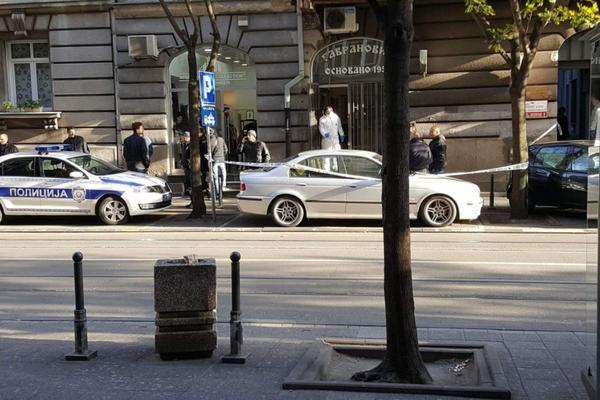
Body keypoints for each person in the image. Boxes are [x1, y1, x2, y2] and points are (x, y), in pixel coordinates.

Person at [210, 129, 228, 200]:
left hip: (215, 160)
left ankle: (217, 192)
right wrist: (223, 155)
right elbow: (226, 149)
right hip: (222, 159)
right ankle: (224, 184)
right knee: (223, 172)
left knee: (215, 177)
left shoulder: (211, 140)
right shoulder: (221, 139)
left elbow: (210, 151)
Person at [178, 131, 191, 197]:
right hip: (185, 165)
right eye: (184, 136)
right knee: (186, 179)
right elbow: (183, 155)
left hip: (189, 166)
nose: (185, 138)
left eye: (186, 137)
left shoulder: (190, 145)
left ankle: (189, 192)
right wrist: (182, 163)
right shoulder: (184, 145)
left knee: (189, 180)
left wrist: (188, 163)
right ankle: (187, 192)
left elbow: (189, 156)